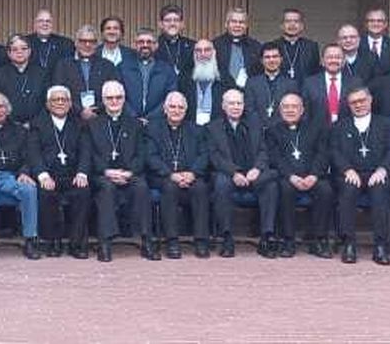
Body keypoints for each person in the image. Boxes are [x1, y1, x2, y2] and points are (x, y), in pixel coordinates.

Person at [82, 81, 153, 262]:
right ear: (103, 100)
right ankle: (105, 243)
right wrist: (107, 172)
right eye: (110, 98)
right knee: (106, 189)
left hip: (130, 174)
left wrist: (129, 172)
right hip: (102, 175)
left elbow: (142, 154)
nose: (114, 101)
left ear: (124, 99)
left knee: (141, 187)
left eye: (118, 97)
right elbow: (89, 155)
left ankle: (146, 240)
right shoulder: (92, 124)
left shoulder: (135, 124)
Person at [328, 86, 390, 266]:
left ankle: (381, 246)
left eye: (362, 100)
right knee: (347, 192)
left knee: (380, 194)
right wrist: (347, 170)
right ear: (348, 105)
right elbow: (334, 152)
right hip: (350, 173)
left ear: (370, 100)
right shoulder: (339, 126)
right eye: (353, 102)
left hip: (377, 173)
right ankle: (348, 244)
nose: (358, 105)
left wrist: (383, 169)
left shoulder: (386, 124)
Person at [208, 88, 279, 258]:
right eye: (231, 103)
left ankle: (266, 236)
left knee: (271, 185)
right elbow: (214, 157)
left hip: (253, 174)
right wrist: (234, 172)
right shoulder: (212, 128)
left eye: (239, 103)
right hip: (229, 174)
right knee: (221, 183)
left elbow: (263, 151)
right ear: (223, 106)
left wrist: (257, 168)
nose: (235, 107)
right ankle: (226, 237)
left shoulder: (256, 124)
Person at [0, 92, 42, 261]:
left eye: (1, 106)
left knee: (29, 189)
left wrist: (24, 172)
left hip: (12, 176)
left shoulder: (20, 130)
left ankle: (30, 239)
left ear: (7, 108)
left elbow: (28, 156)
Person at [267, 93, 335, 258]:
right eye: (286, 107)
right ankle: (288, 240)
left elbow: (323, 154)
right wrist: (291, 176)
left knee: (325, 191)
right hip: (287, 177)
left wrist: (314, 175)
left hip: (313, 175)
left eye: (294, 106)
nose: (290, 110)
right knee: (285, 190)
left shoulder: (316, 128)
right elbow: (275, 157)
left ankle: (319, 240)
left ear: (302, 110)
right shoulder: (272, 131)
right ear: (280, 110)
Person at [144, 92, 211, 259]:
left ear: (186, 110)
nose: (176, 110)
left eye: (180, 107)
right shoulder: (153, 129)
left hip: (191, 176)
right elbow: (150, 157)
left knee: (201, 188)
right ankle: (172, 241)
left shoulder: (196, 130)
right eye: (172, 107)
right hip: (163, 177)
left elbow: (204, 155)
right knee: (169, 188)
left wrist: (193, 173)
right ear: (165, 109)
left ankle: (201, 240)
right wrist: (170, 174)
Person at [30, 86, 91, 259]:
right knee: (46, 193)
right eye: (56, 100)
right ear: (48, 104)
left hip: (73, 175)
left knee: (83, 192)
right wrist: (43, 175)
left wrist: (82, 173)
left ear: (70, 104)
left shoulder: (79, 124)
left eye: (64, 100)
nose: (60, 103)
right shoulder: (37, 124)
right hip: (49, 175)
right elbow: (34, 153)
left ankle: (76, 243)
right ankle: (52, 241)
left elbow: (86, 151)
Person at [52, 25, 121, 121]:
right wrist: (80, 111)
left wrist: (95, 110)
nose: (87, 45)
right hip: (71, 118)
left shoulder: (107, 66)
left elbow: (115, 92)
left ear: (97, 44)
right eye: (83, 41)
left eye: (92, 41)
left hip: (101, 118)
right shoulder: (63, 65)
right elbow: (58, 91)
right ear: (76, 43)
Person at [0, 35, 49, 125]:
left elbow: (47, 102)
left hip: (36, 126)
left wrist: (34, 123)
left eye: (24, 49)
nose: (19, 52)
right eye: (15, 49)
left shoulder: (41, 74)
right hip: (7, 126)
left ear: (29, 51)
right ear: (9, 53)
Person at [301, 44, 363, 132]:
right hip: (317, 134)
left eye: (338, 57)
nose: (333, 60)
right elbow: (305, 113)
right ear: (322, 61)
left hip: (348, 133)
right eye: (329, 57)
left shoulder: (355, 83)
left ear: (344, 61)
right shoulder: (309, 83)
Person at [122, 28, 178, 122]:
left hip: (158, 122)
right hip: (129, 121)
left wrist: (151, 118)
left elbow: (170, 96)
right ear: (134, 45)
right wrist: (134, 117)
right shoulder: (123, 68)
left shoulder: (167, 70)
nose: (145, 45)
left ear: (156, 45)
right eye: (141, 42)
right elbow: (119, 95)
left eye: (149, 42)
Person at [240, 43, 296, 126]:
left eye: (275, 56)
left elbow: (291, 111)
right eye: (267, 57)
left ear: (281, 59)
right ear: (261, 60)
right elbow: (250, 110)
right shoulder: (251, 83)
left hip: (282, 129)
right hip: (257, 129)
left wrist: (274, 128)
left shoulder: (291, 84)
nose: (271, 60)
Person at [183, 39, 232, 126]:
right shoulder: (185, 78)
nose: (203, 54)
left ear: (214, 53)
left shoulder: (225, 78)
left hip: (217, 127)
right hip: (190, 127)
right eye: (199, 51)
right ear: (194, 54)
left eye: (207, 50)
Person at [268, 8, 321, 81]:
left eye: (296, 21)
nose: (292, 25)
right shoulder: (273, 46)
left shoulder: (311, 47)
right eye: (288, 21)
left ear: (302, 26)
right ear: (281, 26)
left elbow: (316, 73)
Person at [212, 8, 258, 89]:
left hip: (248, 92)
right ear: (226, 24)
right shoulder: (215, 45)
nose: (237, 25)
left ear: (246, 26)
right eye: (234, 21)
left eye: (241, 22)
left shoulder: (255, 46)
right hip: (222, 91)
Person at [156, 4, 195, 77]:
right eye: (167, 20)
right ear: (160, 24)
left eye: (176, 20)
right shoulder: (153, 46)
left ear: (182, 24)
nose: (172, 24)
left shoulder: (192, 46)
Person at [361, 8, 390, 79]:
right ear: (366, 24)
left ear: (385, 24)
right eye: (371, 21)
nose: (375, 24)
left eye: (379, 21)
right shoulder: (357, 44)